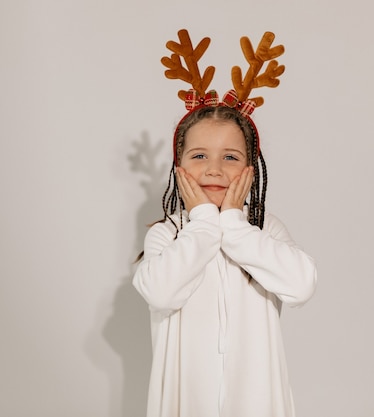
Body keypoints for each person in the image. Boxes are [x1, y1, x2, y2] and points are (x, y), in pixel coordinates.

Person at [132, 30, 317, 417]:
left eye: (230, 157)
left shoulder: (263, 231)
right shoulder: (167, 234)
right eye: (199, 156)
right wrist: (202, 222)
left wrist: (234, 224)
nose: (214, 169)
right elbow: (162, 293)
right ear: (179, 166)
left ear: (250, 169)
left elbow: (301, 285)